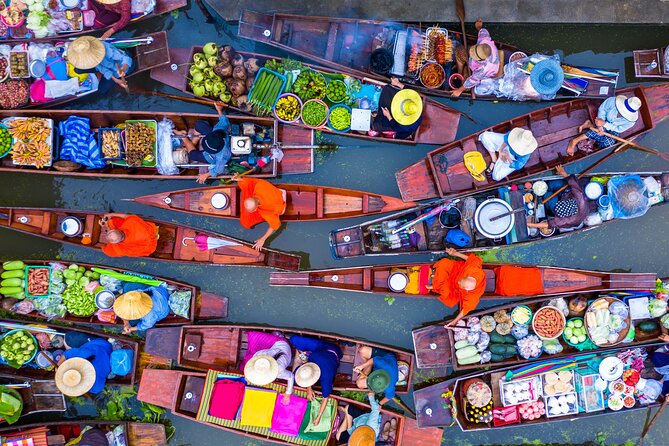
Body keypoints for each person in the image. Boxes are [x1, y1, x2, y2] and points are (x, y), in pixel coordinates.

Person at [290, 335, 343, 426]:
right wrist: (308, 388)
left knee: (295, 374)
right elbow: (307, 365)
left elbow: (325, 398)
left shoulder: (326, 378)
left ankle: (298, 357)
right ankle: (298, 356)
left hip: (333, 350)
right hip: (321, 349)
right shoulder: (313, 357)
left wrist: (319, 416)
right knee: (293, 340)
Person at [173, 103, 232, 184]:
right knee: (199, 124)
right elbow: (224, 120)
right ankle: (193, 143)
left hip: (211, 157)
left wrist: (206, 175)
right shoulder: (220, 128)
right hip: (215, 136)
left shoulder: (223, 156)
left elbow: (218, 170)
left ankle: (184, 137)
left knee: (192, 155)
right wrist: (219, 109)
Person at [428, 248, 486, 328]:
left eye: (461, 284)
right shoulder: (473, 270)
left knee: (446, 293)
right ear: (468, 276)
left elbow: (466, 309)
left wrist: (454, 321)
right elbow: (471, 259)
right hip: (457, 270)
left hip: (454, 288)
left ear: (467, 290)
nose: (459, 282)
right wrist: (455, 254)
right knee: (444, 263)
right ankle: (436, 282)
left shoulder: (472, 295)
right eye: (461, 281)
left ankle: (435, 284)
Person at [567, 95, 642, 155]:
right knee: (598, 132)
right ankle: (574, 141)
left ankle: (590, 125)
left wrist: (605, 125)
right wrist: (601, 125)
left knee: (608, 143)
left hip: (613, 129)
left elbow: (619, 129)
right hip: (603, 119)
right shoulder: (613, 101)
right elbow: (602, 110)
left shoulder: (631, 121)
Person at [527, 165, 589, 231]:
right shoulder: (580, 197)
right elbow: (573, 184)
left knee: (547, 195)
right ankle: (548, 186)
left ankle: (547, 196)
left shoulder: (568, 220)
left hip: (557, 206)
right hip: (566, 192)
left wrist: (529, 224)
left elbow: (548, 224)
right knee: (552, 184)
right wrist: (563, 172)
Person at [232, 175, 287, 250]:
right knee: (246, 184)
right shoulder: (259, 186)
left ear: (256, 208)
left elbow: (274, 225)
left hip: (280, 203)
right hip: (275, 192)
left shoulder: (266, 209)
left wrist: (263, 239)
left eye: (252, 210)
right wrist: (240, 179)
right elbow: (251, 182)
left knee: (246, 222)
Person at [452, 19, 499, 98]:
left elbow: (472, 81)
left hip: (487, 73)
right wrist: (479, 27)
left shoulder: (482, 70)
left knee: (465, 85)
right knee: (459, 50)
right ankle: (459, 72)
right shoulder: (485, 40)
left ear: (481, 59)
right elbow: (483, 32)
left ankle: (462, 73)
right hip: (481, 64)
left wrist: (459, 90)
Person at [67, 36, 133, 92]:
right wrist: (116, 80)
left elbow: (126, 58)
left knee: (101, 90)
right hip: (106, 68)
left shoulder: (107, 50)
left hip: (120, 67)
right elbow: (103, 69)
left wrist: (123, 69)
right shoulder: (91, 59)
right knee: (77, 70)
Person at [244, 338, 294, 404]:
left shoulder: (279, 371)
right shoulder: (258, 356)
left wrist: (288, 393)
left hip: (285, 348)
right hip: (278, 346)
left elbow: (291, 376)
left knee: (290, 362)